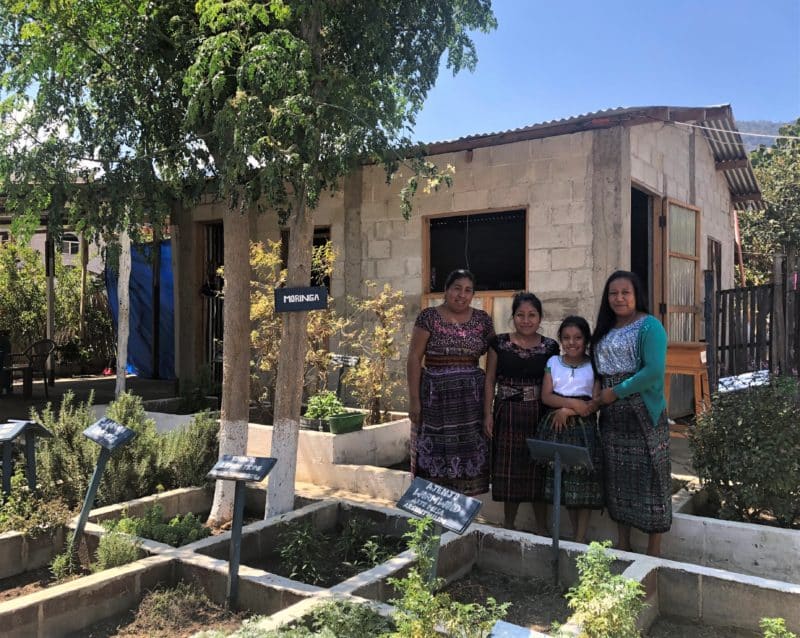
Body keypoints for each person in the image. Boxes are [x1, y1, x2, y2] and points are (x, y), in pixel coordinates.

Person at [592, 270, 671, 556]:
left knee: (652, 477)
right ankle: (622, 545)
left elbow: (653, 371)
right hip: (612, 415)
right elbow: (598, 368)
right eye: (613, 293)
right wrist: (601, 391)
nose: (619, 298)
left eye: (626, 292)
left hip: (642, 412)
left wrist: (615, 392)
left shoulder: (650, 326)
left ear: (637, 295)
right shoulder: (605, 328)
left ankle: (653, 552)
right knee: (618, 477)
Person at [407, 269, 495, 495]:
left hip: (471, 406)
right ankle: (432, 514)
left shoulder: (483, 320)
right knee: (434, 455)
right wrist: (414, 400)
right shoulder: (428, 317)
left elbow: (494, 358)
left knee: (470, 456)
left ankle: (464, 513)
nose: (462, 295)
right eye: (457, 288)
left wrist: (488, 409)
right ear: (446, 290)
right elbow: (415, 358)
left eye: (468, 290)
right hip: (435, 401)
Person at [484, 292, 558, 532]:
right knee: (509, 470)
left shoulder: (550, 347)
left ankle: (542, 527)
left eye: (532, 315)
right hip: (506, 414)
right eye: (520, 315)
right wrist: (487, 413)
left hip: (539, 413)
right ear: (513, 317)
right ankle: (508, 524)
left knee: (539, 468)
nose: (526, 320)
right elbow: (489, 380)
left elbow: (555, 381)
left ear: (540, 318)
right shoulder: (499, 343)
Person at [538, 316, 604, 544]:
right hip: (556, 427)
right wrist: (568, 406)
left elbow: (594, 401)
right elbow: (546, 395)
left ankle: (579, 537)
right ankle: (573, 534)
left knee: (584, 482)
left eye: (577, 337)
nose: (571, 342)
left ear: (586, 340)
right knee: (565, 482)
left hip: (583, 429)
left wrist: (570, 410)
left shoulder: (594, 364)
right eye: (566, 338)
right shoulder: (553, 362)